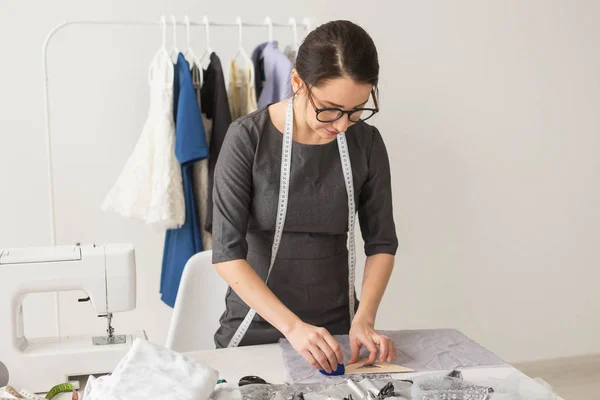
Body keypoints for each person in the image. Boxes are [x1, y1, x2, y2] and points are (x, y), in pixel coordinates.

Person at [211, 20, 398, 374]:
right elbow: (226, 255)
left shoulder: (367, 143)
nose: (342, 124)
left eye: (356, 110)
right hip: (257, 328)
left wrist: (365, 318)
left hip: (339, 333)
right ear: (298, 83)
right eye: (330, 108)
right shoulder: (246, 139)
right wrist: (294, 328)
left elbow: (382, 244)